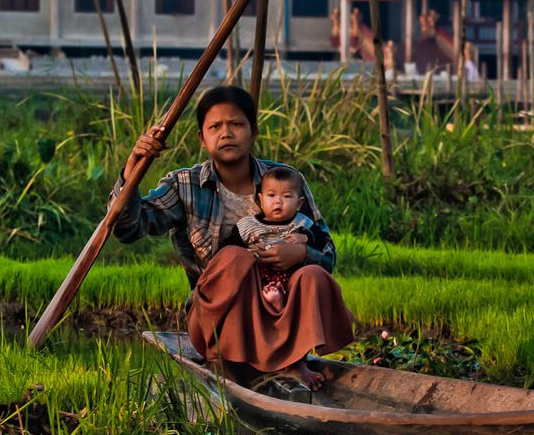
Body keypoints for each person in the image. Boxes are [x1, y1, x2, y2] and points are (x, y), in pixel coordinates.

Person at [109, 85, 354, 390]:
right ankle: (223, 360)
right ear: (202, 138)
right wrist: (133, 166)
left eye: (237, 124)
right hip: (215, 322)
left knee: (314, 274)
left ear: (253, 132)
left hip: (277, 312)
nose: (226, 133)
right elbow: (128, 228)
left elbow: (328, 252)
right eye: (215, 127)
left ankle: (293, 361)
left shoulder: (284, 181)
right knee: (236, 257)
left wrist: (302, 255)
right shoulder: (185, 185)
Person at [235, 167, 322, 310]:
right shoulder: (247, 225)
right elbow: (230, 248)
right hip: (258, 272)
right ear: (261, 200)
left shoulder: (302, 222)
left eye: (286, 196)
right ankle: (269, 301)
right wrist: (247, 254)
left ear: (299, 204)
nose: (278, 202)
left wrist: (304, 238)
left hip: (288, 272)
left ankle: (281, 302)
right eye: (271, 196)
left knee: (299, 279)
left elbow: (321, 239)